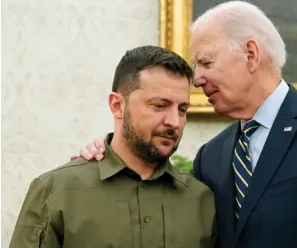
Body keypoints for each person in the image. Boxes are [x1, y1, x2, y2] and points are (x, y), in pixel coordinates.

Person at [77, 1, 297, 248]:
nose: (197, 80)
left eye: (205, 62)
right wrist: (109, 154)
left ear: (251, 54)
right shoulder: (211, 156)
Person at [10, 45, 216, 248]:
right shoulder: (57, 191)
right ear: (117, 105)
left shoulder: (201, 200)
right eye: (159, 106)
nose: (175, 122)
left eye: (182, 109)